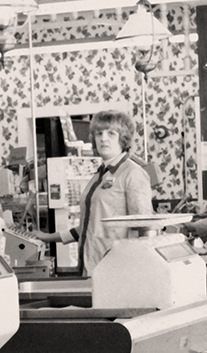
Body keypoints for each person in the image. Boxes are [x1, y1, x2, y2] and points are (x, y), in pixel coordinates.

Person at [33, 110, 154, 275]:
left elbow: (144, 227)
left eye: (111, 133)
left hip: (118, 269)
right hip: (91, 265)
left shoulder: (132, 173)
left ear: (123, 138)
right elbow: (88, 226)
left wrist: (139, 271)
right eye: (99, 133)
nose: (103, 138)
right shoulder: (100, 174)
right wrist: (48, 237)